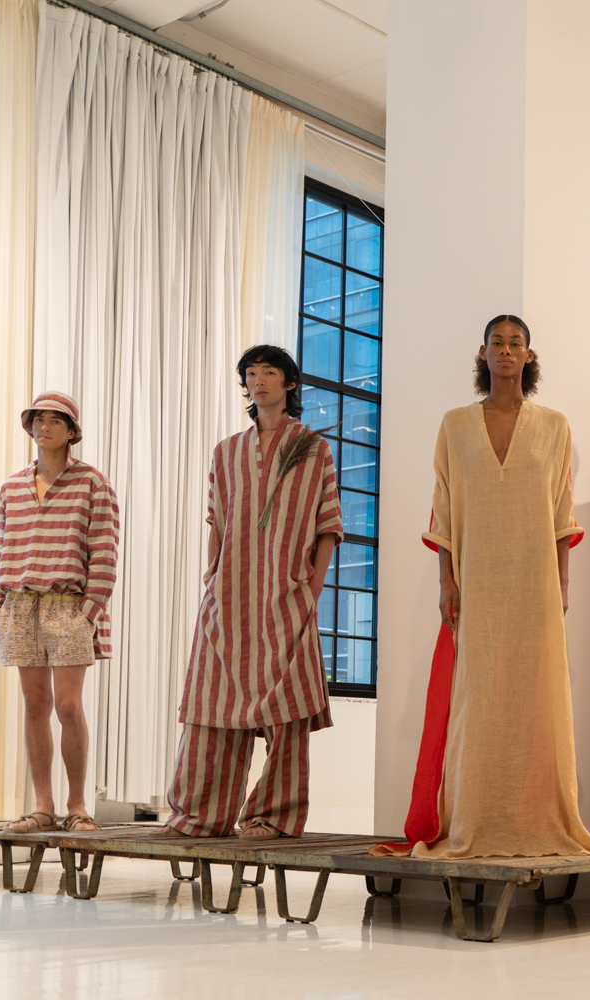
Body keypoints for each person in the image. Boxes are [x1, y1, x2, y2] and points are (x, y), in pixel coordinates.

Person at [405, 315, 590, 858]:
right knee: (478, 698)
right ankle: (476, 814)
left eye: (515, 343)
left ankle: (536, 814)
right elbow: (444, 510)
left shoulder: (555, 426)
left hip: (535, 580)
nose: (505, 350)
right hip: (475, 582)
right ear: (483, 353)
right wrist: (445, 581)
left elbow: (561, 512)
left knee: (536, 694)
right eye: (496, 343)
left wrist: (563, 579)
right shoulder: (454, 425)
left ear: (528, 355)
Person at [158, 345, 342, 839]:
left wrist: (313, 588)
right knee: (210, 705)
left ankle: (272, 817)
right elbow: (217, 521)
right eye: (251, 374)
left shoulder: (314, 448)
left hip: (288, 599)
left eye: (269, 373)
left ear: (289, 384)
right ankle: (199, 814)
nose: (258, 381)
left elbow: (328, 524)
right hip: (230, 598)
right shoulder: (225, 451)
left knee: (288, 712)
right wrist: (212, 577)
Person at [0, 393, 119, 834]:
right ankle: (42, 805)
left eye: (53, 420)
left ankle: (78, 805)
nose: (43, 427)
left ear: (71, 430)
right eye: (37, 419)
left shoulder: (92, 484)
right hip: (20, 604)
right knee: (35, 704)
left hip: (68, 604)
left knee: (67, 705)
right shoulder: (12, 487)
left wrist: (88, 610)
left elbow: (103, 552)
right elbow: (0, 548)